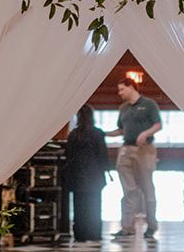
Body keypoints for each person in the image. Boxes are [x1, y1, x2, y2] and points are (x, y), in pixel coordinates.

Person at [111, 77, 162, 241]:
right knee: (129, 190)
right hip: (126, 149)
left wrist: (145, 133)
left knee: (147, 188)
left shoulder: (149, 104)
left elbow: (158, 125)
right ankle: (127, 227)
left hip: (144, 150)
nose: (120, 93)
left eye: (122, 90)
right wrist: (103, 134)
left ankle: (151, 225)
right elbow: (121, 129)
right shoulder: (123, 108)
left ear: (131, 87)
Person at [63, 106, 109, 242]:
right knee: (94, 205)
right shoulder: (97, 133)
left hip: (77, 175)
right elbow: (103, 156)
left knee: (79, 205)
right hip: (94, 175)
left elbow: (68, 155)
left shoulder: (73, 135)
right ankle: (94, 233)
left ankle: (80, 234)